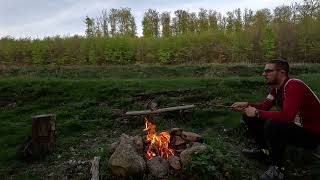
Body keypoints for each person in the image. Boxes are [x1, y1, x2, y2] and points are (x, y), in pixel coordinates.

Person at [231, 59, 320, 180]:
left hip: (313, 135)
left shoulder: (294, 85)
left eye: (268, 71)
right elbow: (264, 106)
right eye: (264, 71)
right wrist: (247, 105)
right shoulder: (276, 88)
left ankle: (278, 169)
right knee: (248, 114)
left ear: (282, 72)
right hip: (297, 128)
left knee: (273, 124)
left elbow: (287, 116)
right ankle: (263, 151)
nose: (263, 74)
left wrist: (257, 112)